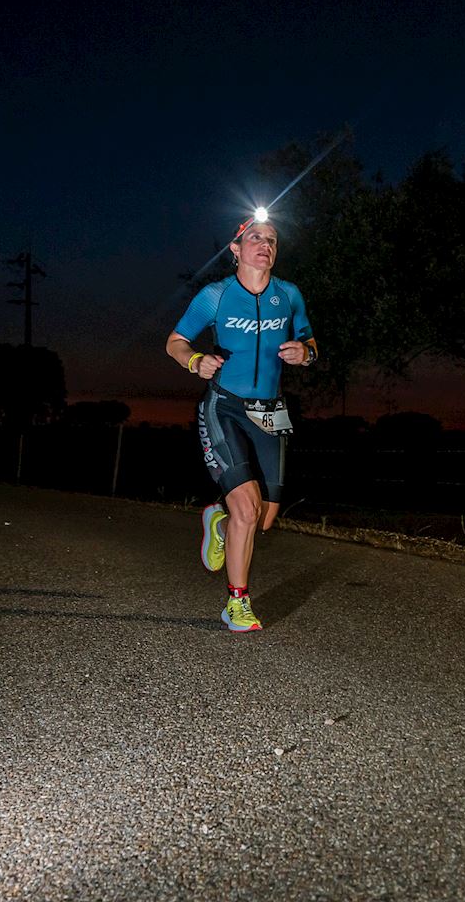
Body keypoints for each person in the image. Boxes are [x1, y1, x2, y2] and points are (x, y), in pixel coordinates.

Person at [166, 215, 318, 632]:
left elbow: (310, 340)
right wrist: (195, 360)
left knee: (264, 518)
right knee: (247, 511)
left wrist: (305, 354)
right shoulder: (215, 296)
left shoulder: (289, 295)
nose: (264, 244)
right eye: (255, 237)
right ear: (236, 249)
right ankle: (237, 603)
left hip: (270, 412)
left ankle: (218, 516)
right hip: (225, 406)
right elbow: (175, 342)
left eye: (271, 239)